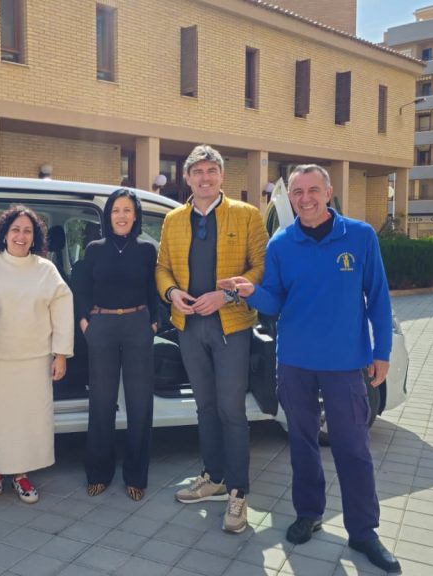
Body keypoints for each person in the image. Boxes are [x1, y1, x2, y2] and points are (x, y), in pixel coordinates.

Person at [221, 164, 401, 573]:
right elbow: (275, 301)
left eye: (313, 190)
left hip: (345, 364)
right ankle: (308, 513)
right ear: (291, 198)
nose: (305, 199)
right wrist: (251, 293)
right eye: (298, 192)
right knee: (301, 444)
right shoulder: (282, 243)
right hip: (295, 363)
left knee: (353, 448)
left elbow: (378, 296)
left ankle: (363, 531)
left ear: (329, 192)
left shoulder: (359, 236)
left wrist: (382, 351)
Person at [155, 144, 267, 534]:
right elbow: (162, 267)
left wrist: (228, 295)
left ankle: (238, 492)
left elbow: (261, 266)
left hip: (230, 326)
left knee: (231, 409)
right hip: (189, 327)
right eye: (198, 172)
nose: (204, 178)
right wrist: (172, 293)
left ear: (221, 176)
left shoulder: (247, 214)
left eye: (211, 171)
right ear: (187, 178)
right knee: (204, 407)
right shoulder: (173, 219)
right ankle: (214, 477)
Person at [0, 205, 73, 504]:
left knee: (29, 420)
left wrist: (60, 354)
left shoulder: (46, 270)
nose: (21, 236)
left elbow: (62, 310)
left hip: (35, 359)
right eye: (15, 229)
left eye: (27, 231)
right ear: (4, 233)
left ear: (35, 237)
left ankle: (20, 475)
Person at [73, 188, 158, 502]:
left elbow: (153, 288)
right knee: (102, 402)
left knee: (140, 403)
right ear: (108, 216)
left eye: (127, 210)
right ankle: (98, 473)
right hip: (103, 326)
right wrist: (86, 322)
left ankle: (136, 476)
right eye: (115, 210)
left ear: (136, 216)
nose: (121, 216)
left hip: (138, 325)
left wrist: (153, 322)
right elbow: (81, 288)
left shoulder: (147, 250)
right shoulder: (94, 249)